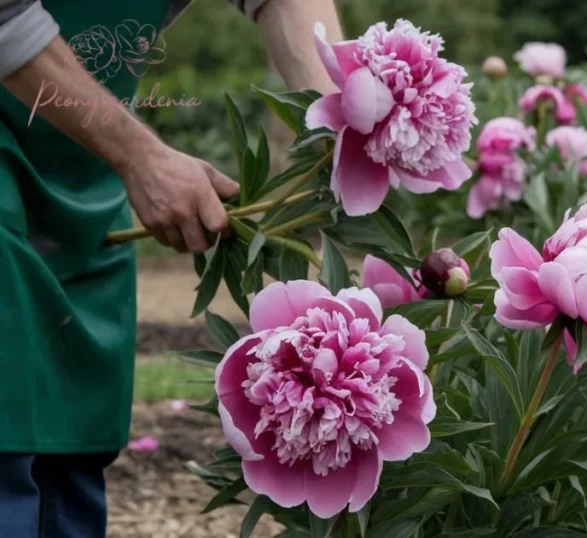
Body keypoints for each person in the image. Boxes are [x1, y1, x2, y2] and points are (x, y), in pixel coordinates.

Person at [0, 0, 343, 535]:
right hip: (93, 137)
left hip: (84, 160)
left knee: (71, 452)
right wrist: (142, 158)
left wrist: (339, 122)